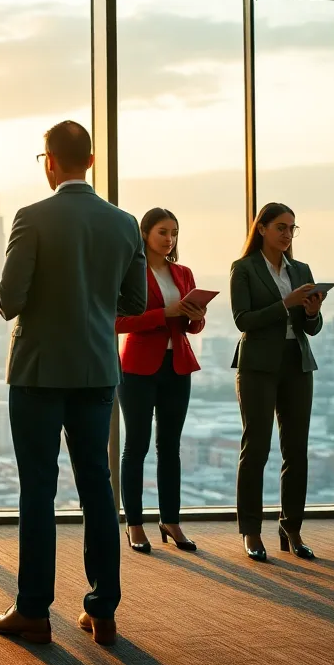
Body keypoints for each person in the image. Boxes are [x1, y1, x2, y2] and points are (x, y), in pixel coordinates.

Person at [0, 120, 147, 647]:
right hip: (97, 369)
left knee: (38, 487)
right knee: (97, 485)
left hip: (38, 370)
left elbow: (10, 300)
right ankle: (103, 610)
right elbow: (136, 303)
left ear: (50, 161)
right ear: (91, 161)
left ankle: (33, 610)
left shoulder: (32, 217)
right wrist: (92, 310)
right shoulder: (124, 223)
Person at [230, 202, 325, 563]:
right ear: (262, 229)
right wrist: (286, 303)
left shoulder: (301, 270)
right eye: (281, 227)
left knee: (296, 450)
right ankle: (251, 530)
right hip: (258, 366)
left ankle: (292, 528)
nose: (287, 234)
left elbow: (311, 328)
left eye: (291, 228)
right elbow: (243, 320)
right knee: (256, 448)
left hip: (296, 364)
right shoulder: (244, 268)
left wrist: (312, 312)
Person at [116, 207, 206, 555]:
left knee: (170, 447)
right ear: (145, 234)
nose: (170, 239)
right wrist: (163, 314)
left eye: (174, 233)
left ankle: (171, 521)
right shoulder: (130, 272)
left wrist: (196, 316)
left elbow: (192, 327)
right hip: (137, 367)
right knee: (136, 446)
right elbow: (117, 322)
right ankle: (135, 523)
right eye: (163, 232)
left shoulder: (183, 273)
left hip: (177, 365)